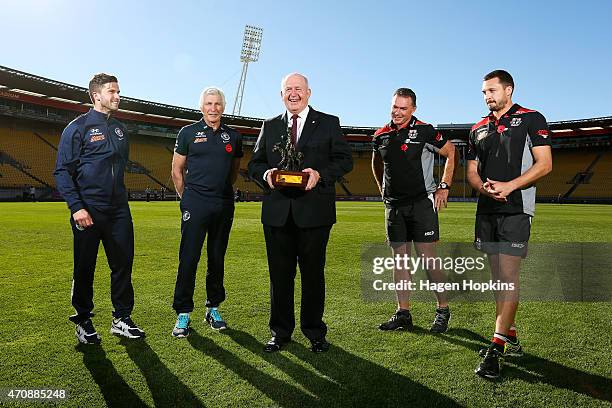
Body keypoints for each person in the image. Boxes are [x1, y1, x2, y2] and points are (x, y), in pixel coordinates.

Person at [248, 73, 353, 353]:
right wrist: (266, 174)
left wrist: (321, 174)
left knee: (313, 276)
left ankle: (315, 332)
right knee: (279, 277)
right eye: (288, 90)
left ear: (309, 92)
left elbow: (345, 160)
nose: (293, 94)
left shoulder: (329, 123)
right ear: (281, 94)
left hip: (315, 213)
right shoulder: (269, 126)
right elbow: (254, 165)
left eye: (298, 89)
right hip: (277, 214)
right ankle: (280, 332)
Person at [467, 70, 552, 379]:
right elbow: (472, 171)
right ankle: (510, 333)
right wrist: (483, 188)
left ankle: (496, 346)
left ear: (509, 90)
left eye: (492, 90)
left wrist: (510, 186)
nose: (487, 96)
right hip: (486, 211)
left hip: (517, 209)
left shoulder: (532, 119)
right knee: (496, 278)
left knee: (508, 276)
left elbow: (545, 164)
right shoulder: (477, 128)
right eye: (483, 92)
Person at [54, 73, 145, 344]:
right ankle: (83, 320)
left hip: (118, 210)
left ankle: (121, 318)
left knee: (123, 264)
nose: (118, 96)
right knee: (85, 266)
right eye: (112, 91)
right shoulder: (77, 127)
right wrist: (76, 207)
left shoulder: (120, 129)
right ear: (96, 95)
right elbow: (62, 171)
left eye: (118, 91)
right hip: (88, 210)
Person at [372, 88, 457, 333]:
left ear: (413, 109)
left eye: (403, 109)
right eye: (394, 107)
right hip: (394, 206)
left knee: (428, 260)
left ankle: (443, 310)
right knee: (399, 263)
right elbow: (377, 162)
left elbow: (452, 153)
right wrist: (382, 190)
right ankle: (403, 313)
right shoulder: (381, 135)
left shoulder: (425, 131)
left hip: (421, 204)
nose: (398, 113)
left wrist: (444, 186)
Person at [170, 86, 242, 337]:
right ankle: (183, 313)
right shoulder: (187, 133)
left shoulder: (233, 136)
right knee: (188, 258)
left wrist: (221, 192)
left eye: (217, 104)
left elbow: (233, 171)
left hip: (223, 204)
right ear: (201, 107)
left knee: (217, 258)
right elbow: (177, 171)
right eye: (208, 104)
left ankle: (213, 308)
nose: (213, 108)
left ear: (223, 107)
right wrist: (187, 198)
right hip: (195, 203)